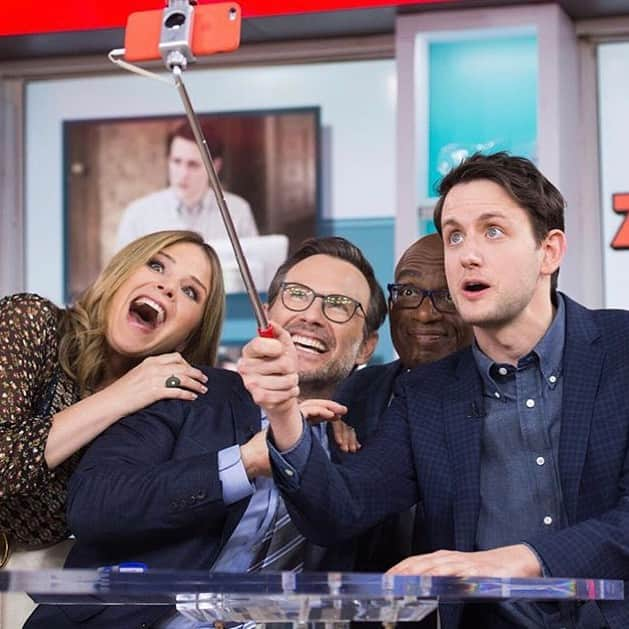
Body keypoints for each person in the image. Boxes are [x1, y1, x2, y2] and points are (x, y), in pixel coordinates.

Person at [240, 152, 629, 628]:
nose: (467, 253)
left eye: (493, 231)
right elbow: (339, 511)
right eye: (454, 235)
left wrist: (516, 560)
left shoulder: (620, 350)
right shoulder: (425, 393)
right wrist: (283, 413)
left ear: (549, 251)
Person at [24, 236, 387, 629]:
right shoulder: (184, 389)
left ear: (367, 346)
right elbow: (93, 505)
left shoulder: (360, 447)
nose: (312, 315)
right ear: (266, 315)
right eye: (297, 295)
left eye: (338, 305)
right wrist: (245, 462)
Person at [0, 229, 224, 627]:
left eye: (191, 292)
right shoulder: (34, 321)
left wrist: (324, 428)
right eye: (157, 265)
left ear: (193, 333)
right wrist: (122, 394)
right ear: (121, 273)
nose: (167, 288)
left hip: (31, 592)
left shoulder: (167, 409)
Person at [333, 234, 472, 578]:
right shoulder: (352, 395)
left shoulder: (507, 397)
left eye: (447, 295)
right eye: (408, 293)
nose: (425, 314)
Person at [115, 120, 258, 251]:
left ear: (215, 167)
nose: (183, 174)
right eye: (177, 161)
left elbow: (254, 270)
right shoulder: (138, 215)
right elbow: (121, 276)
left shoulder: (237, 212)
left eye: (193, 165)